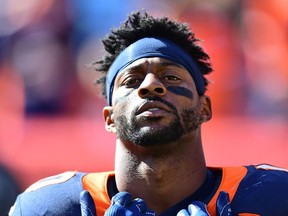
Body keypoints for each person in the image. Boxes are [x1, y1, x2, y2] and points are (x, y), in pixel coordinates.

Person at [9, 10, 288, 216]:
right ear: (109, 118)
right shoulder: (48, 207)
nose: (151, 86)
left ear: (204, 108)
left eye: (171, 78)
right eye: (131, 81)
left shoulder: (275, 196)